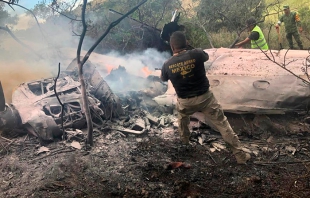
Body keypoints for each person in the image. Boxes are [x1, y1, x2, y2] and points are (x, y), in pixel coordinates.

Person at [160, 31, 251, 164]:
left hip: (185, 102)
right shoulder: (196, 53)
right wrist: (188, 49)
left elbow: (163, 78)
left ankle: (185, 143)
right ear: (186, 42)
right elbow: (206, 57)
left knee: (182, 120)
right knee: (223, 125)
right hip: (205, 99)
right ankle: (240, 156)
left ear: (172, 47)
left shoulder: (167, 64)